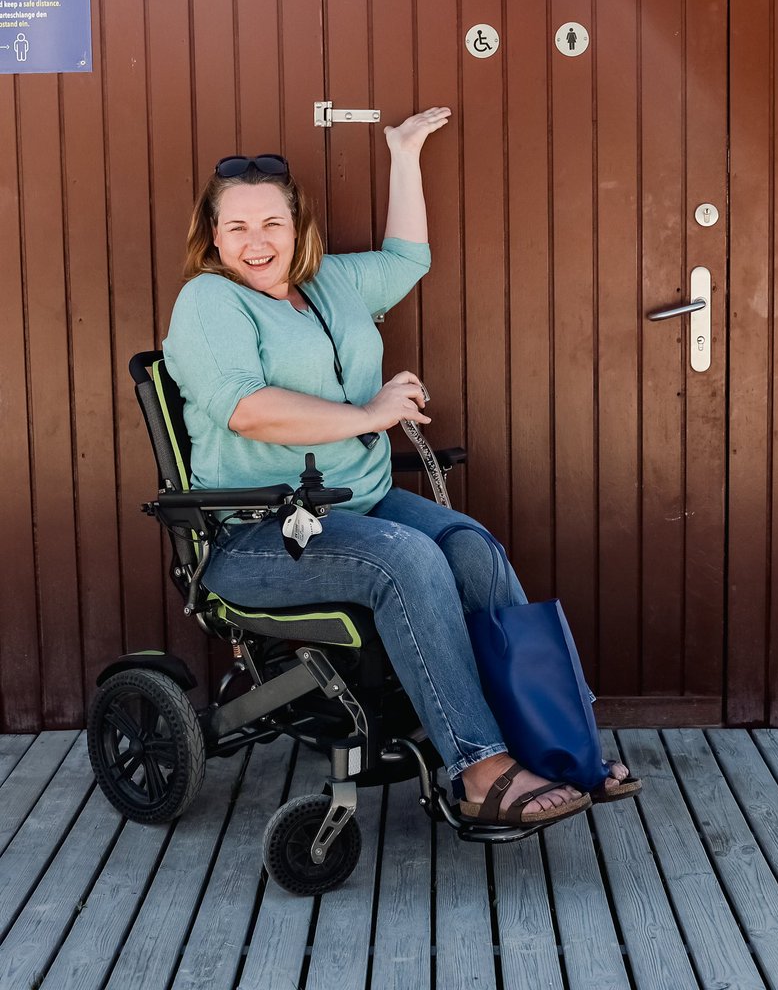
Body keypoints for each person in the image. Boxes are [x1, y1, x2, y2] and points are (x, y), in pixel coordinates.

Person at [163, 108, 637, 826]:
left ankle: (558, 740)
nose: (256, 243)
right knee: (407, 560)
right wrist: (369, 415)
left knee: (471, 547)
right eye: (237, 227)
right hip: (259, 533)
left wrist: (404, 153)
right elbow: (247, 409)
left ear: (299, 227)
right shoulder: (208, 301)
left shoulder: (330, 284)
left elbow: (408, 260)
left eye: (271, 225)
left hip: (359, 504)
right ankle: (479, 768)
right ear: (213, 234)